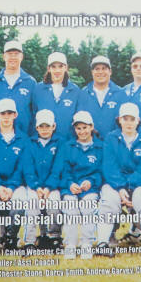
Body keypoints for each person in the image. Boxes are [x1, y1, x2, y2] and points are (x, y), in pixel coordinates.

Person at [95, 102, 141, 259]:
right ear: (119, 120)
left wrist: (129, 187)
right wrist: (121, 188)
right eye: (125, 119)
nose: (129, 123)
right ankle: (102, 243)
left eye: (132, 119)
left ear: (138, 121)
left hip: (140, 183)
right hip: (115, 183)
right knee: (109, 199)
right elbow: (109, 166)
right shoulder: (111, 138)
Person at [50, 111, 103, 260]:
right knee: (70, 207)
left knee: (88, 206)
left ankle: (86, 243)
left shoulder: (100, 147)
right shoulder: (68, 146)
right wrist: (70, 183)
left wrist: (91, 181)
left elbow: (101, 171)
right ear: (74, 129)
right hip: (70, 187)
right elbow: (63, 170)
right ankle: (71, 244)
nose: (82, 131)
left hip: (90, 188)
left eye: (85, 127)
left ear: (91, 127)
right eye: (78, 128)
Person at [0, 98, 31, 250]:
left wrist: (11, 187)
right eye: (3, 114)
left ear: (15, 115)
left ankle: (11, 237)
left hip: (15, 184)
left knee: (20, 201)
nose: (6, 117)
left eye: (10, 113)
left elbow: (22, 166)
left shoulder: (24, 138)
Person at [20, 109, 64, 251]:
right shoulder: (30, 143)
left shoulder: (60, 143)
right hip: (35, 186)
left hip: (52, 186)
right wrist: (36, 186)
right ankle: (30, 241)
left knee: (54, 204)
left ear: (53, 126)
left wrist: (49, 187)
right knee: (32, 205)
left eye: (47, 126)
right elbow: (28, 168)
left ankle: (55, 237)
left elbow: (58, 168)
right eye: (41, 126)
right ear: (36, 127)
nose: (44, 129)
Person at [0, 40, 37, 135]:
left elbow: (34, 112)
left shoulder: (30, 82)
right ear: (4, 56)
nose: (13, 57)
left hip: (24, 137)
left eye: (16, 54)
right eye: (9, 54)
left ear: (21, 57)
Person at [31, 52, 82, 139]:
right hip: (44, 142)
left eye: (60, 66)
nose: (57, 70)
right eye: (53, 67)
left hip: (67, 141)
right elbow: (33, 115)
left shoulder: (75, 90)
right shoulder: (38, 89)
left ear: (66, 68)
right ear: (48, 69)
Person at [79, 55, 124, 139]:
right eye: (97, 69)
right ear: (92, 72)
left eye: (104, 68)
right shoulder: (83, 93)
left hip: (114, 143)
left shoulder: (121, 93)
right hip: (91, 144)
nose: (100, 72)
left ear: (110, 71)